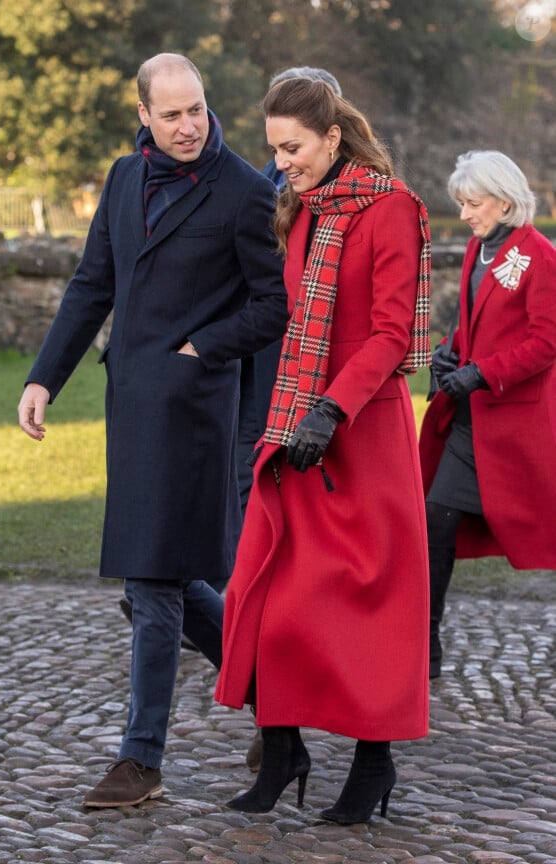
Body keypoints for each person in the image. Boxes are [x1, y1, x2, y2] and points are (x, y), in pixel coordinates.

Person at [17, 53, 288, 809]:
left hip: (197, 414)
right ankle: (277, 699)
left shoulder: (241, 191)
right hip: (131, 409)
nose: (188, 125)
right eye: (170, 114)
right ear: (143, 114)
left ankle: (141, 759)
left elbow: (273, 307)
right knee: (169, 580)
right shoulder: (122, 178)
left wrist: (202, 348)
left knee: (152, 580)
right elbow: (91, 285)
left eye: (196, 109)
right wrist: (43, 377)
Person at [215, 77, 432, 824]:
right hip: (296, 426)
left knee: (369, 607)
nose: (280, 164)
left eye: (293, 148)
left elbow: (391, 335)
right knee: (271, 595)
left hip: (360, 432)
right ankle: (283, 752)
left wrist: (332, 409)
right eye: (273, 149)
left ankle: (374, 766)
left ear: (332, 138)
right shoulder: (302, 211)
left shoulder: (392, 208)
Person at [419, 150, 556, 680]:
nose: (466, 215)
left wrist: (482, 373)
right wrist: (449, 352)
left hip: (512, 424)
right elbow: (475, 324)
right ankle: (425, 641)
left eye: (473, 204)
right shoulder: (481, 246)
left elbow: (546, 342)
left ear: (504, 201)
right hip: (471, 421)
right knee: (435, 518)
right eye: (463, 204)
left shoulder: (539, 256)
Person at [237, 66, 343, 514]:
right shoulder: (259, 183)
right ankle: (246, 573)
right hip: (260, 346)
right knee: (250, 461)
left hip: (317, 348)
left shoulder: (349, 192)